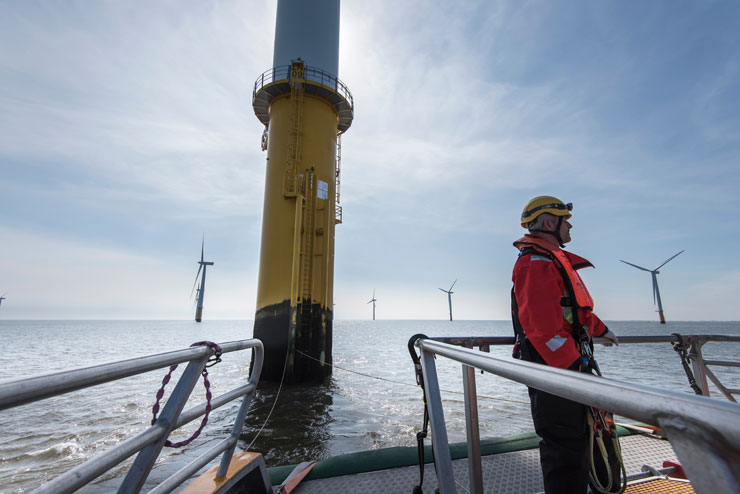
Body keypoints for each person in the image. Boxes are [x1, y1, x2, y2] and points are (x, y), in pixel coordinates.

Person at [510, 195, 618, 494]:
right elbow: (542, 328)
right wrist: (573, 368)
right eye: (565, 220)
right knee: (565, 448)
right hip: (554, 371)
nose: (570, 226)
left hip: (569, 366)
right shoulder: (535, 263)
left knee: (589, 436)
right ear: (548, 222)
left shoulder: (552, 260)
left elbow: (573, 314)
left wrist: (602, 330)